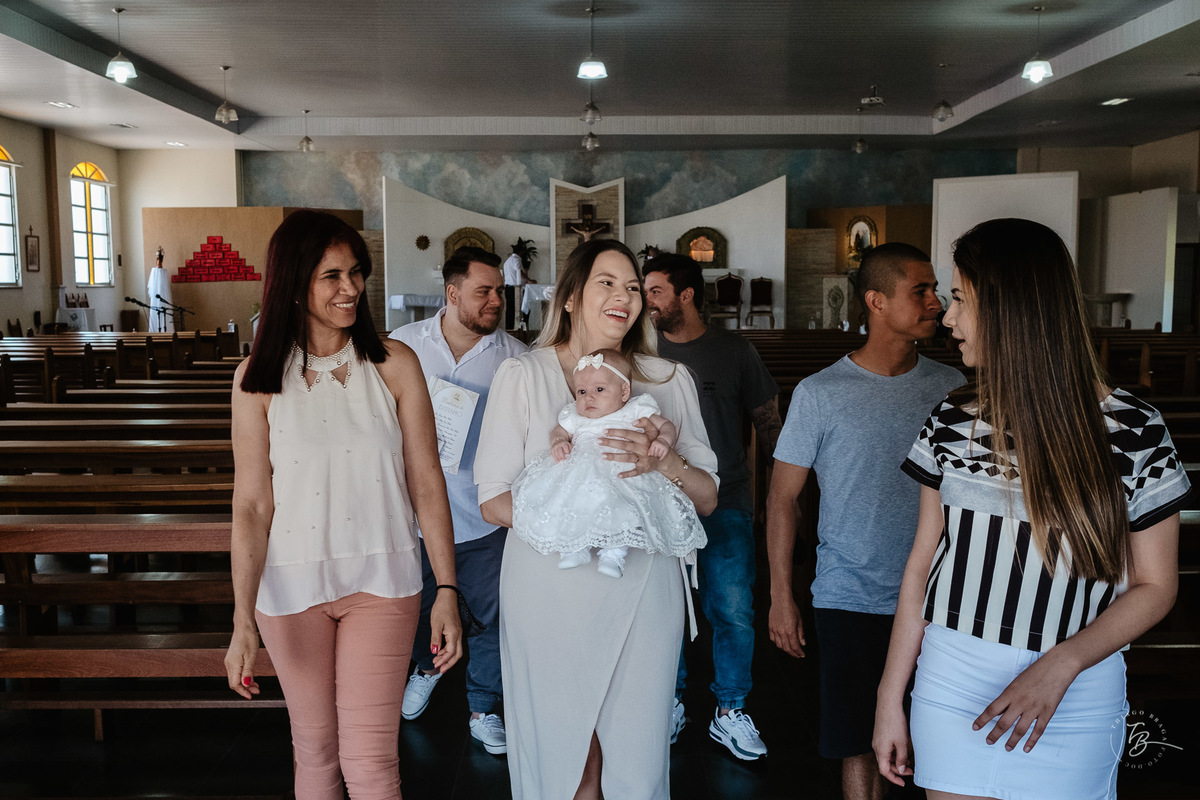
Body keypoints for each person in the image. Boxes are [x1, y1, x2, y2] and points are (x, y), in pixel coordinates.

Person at [873, 219, 1191, 800]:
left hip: (1077, 687)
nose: (947, 319)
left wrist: (1061, 665)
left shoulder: (1134, 429)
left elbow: (1155, 585)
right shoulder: (953, 419)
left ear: (1011, 310)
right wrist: (889, 699)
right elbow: (922, 563)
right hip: (955, 679)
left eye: (961, 300)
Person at [224, 209, 463, 800]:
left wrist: (448, 590)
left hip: (382, 581)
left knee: (371, 762)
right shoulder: (255, 378)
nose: (351, 288)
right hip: (290, 589)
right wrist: (241, 618)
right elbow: (252, 504)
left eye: (357, 273)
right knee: (316, 754)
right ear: (294, 282)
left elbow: (428, 483)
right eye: (332, 275)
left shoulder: (394, 364)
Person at [475, 239, 719, 799]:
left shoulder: (665, 381)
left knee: (634, 747)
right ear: (570, 298)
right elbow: (492, 500)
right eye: (607, 282)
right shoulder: (524, 376)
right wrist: (580, 527)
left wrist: (666, 462)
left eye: (633, 286)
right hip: (548, 587)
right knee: (567, 754)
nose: (624, 296)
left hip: (641, 586)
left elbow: (706, 498)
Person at [766, 242, 963, 800]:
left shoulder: (950, 388)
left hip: (939, 595)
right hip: (851, 594)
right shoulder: (821, 393)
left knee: (934, 737)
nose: (935, 301)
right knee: (857, 742)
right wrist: (782, 594)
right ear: (876, 301)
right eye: (919, 290)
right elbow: (783, 498)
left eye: (936, 289)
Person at [389, 245, 527, 754]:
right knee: (422, 608)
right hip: (412, 517)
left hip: (484, 514)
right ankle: (426, 668)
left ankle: (483, 706)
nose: (497, 301)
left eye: (500, 292)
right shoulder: (402, 346)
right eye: (484, 292)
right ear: (452, 293)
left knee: (496, 614)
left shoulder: (515, 357)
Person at [643, 253, 781, 759]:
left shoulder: (734, 350)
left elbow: (769, 424)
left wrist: (782, 496)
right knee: (665, 610)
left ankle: (731, 709)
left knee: (733, 608)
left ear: (686, 295)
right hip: (658, 503)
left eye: (655, 290)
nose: (646, 301)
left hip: (727, 499)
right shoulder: (640, 351)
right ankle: (670, 700)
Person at [511, 347, 706, 577]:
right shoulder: (576, 415)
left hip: (622, 472)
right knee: (574, 503)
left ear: (624, 392)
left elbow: (666, 426)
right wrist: (558, 442)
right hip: (583, 471)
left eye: (599, 389)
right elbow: (559, 430)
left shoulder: (635, 409)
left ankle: (614, 555)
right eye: (581, 391)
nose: (588, 397)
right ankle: (575, 548)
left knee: (623, 509)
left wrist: (664, 441)